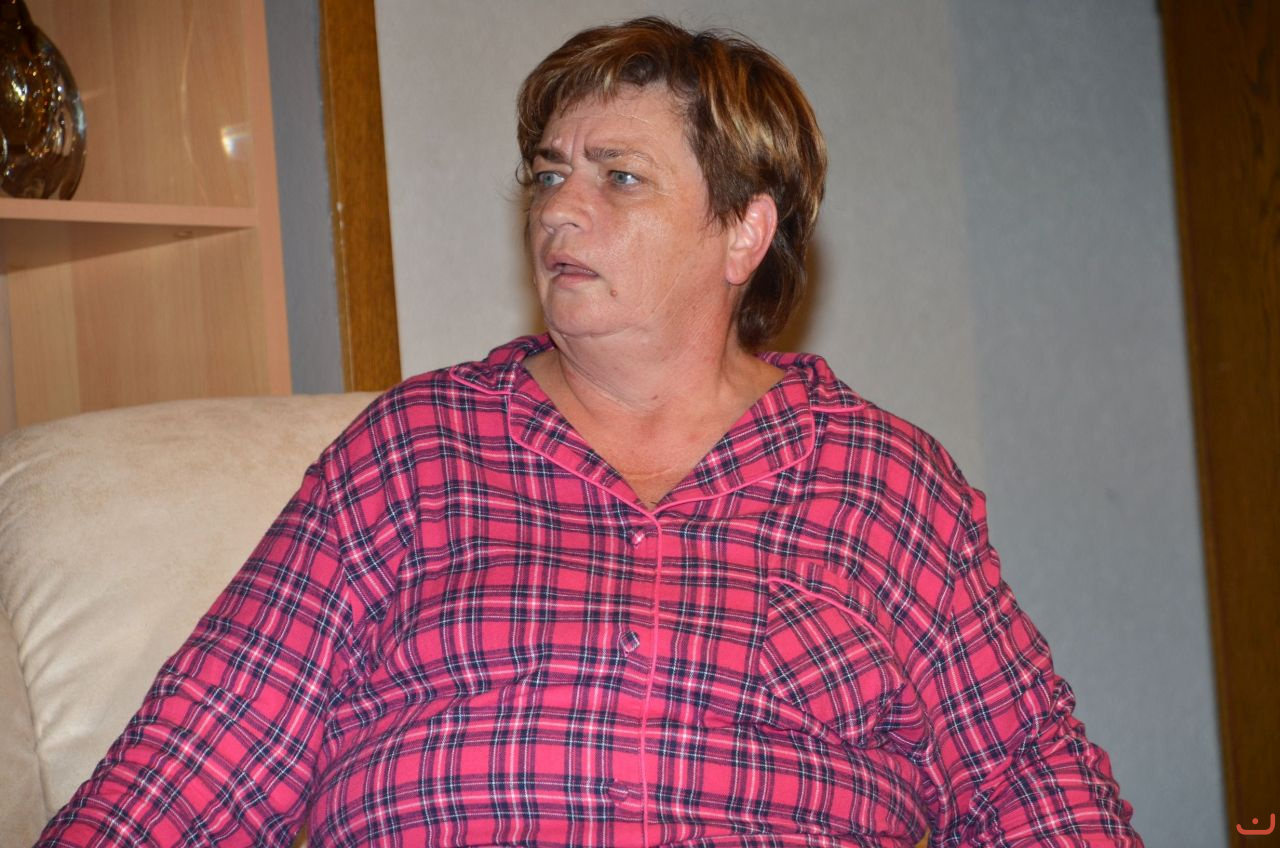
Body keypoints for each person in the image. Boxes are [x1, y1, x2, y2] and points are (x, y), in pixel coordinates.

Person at [38, 17, 1143, 848]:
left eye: (619, 177)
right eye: (549, 176)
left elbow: (1029, 782)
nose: (560, 209)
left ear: (743, 232)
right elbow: (196, 758)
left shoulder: (883, 483)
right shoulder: (416, 452)